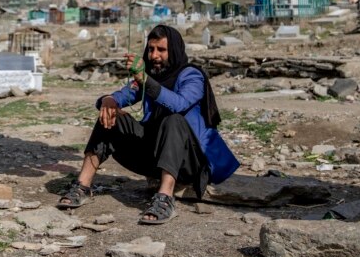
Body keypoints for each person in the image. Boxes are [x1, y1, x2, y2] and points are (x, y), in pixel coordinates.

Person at [56, 25, 239, 224]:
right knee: (111, 115)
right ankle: (83, 186)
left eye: (161, 50)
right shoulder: (149, 76)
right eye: (151, 49)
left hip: (189, 161)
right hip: (155, 157)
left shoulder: (192, 76)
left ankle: (165, 197)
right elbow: (125, 94)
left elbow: (179, 104)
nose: (154, 55)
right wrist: (108, 100)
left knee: (174, 120)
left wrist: (145, 79)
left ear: (174, 51)